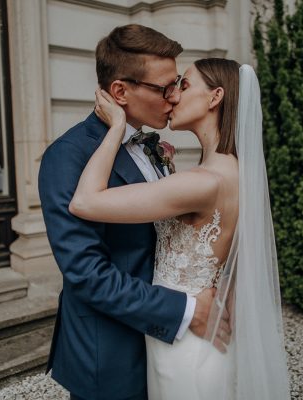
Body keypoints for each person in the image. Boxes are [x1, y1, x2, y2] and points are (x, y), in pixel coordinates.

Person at [69, 59, 291, 398]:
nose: (172, 96)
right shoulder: (229, 171)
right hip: (188, 332)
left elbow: (84, 201)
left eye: (184, 85)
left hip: (186, 345)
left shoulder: (203, 182)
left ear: (215, 97)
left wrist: (116, 128)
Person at [38, 24, 222, 400]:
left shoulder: (153, 144)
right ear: (120, 91)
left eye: (178, 86)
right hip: (110, 350)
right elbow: (87, 274)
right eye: (164, 87)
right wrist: (185, 310)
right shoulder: (68, 156)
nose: (173, 98)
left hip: (164, 345)